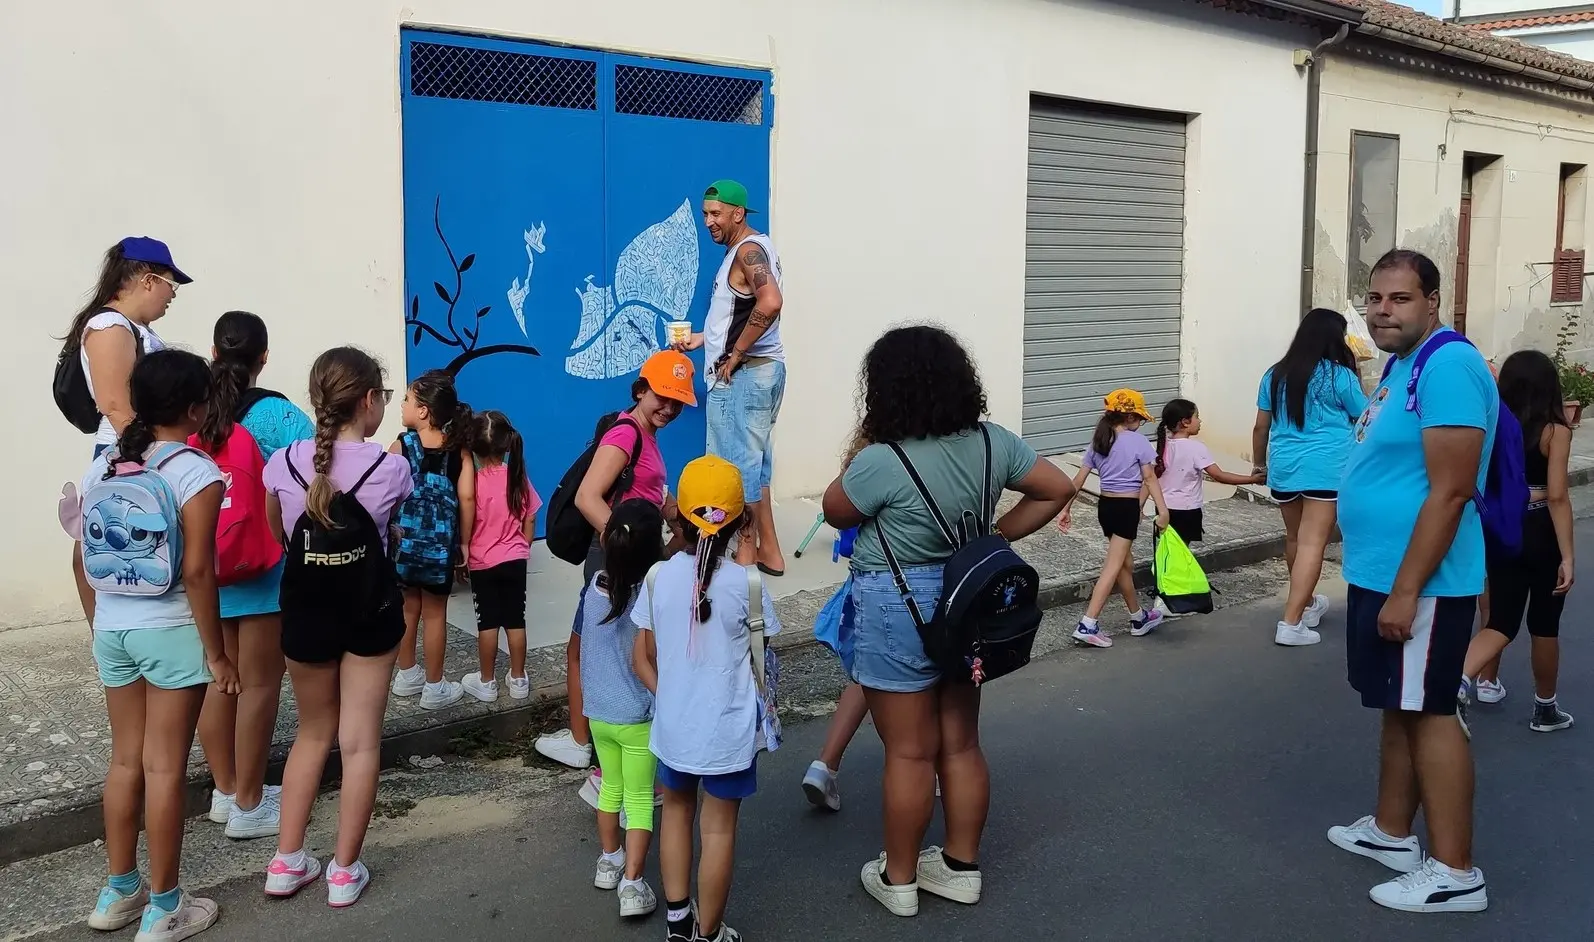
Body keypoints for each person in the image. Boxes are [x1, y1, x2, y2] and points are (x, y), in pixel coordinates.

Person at [821, 325, 1074, 917]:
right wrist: (995, 535)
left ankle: (900, 879)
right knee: (960, 742)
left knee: (909, 752)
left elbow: (836, 509)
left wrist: (864, 449)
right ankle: (960, 867)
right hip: (970, 598)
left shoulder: (881, 461)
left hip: (897, 602)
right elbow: (1056, 487)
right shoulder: (992, 444)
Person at [1328, 249, 1494, 914]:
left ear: (1432, 302)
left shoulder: (1449, 363)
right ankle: (1393, 833)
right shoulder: (1403, 365)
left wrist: (1405, 589)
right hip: (1384, 572)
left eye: (1399, 299)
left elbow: (1452, 491)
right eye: (1374, 298)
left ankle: (1456, 871)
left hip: (1421, 582)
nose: (1382, 310)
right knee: (1400, 704)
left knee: (1431, 712)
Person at [78, 349, 236, 940]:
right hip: (169, 630)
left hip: (113, 629)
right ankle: (166, 906)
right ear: (196, 409)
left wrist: (102, 622)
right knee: (165, 766)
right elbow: (198, 571)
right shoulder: (196, 471)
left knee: (125, 761)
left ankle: (120, 891)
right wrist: (217, 653)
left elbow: (81, 556)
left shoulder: (105, 466)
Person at [263, 347, 413, 908]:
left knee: (311, 733)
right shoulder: (391, 467)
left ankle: (286, 861)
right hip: (368, 612)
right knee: (359, 743)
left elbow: (280, 529)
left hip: (305, 612)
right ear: (369, 401)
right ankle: (344, 872)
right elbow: (393, 528)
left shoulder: (282, 463)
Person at [634, 456, 781, 942]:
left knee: (676, 813)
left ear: (677, 516)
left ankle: (678, 924)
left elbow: (651, 652)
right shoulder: (750, 588)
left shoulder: (657, 580)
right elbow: (765, 650)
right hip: (728, 730)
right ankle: (710, 933)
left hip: (674, 725)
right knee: (717, 831)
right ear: (743, 521)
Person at [535, 351, 695, 785]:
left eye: (677, 402)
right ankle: (591, 742)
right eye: (662, 396)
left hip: (628, 562)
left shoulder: (645, 434)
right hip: (614, 560)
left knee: (611, 652)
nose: (668, 407)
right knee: (598, 651)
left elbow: (650, 493)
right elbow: (589, 497)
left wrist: (680, 517)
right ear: (640, 390)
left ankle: (598, 750)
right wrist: (624, 543)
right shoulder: (626, 435)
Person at [193, 311, 314, 842]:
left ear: (214, 352)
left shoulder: (192, 410)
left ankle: (225, 792)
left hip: (205, 567)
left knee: (220, 680)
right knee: (260, 685)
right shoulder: (279, 417)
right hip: (263, 569)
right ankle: (250, 802)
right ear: (263, 357)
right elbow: (319, 469)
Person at [58, 238, 190, 626]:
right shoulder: (109, 325)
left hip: (138, 450)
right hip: (127, 452)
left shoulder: (132, 328)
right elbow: (116, 406)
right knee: (100, 545)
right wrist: (150, 458)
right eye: (171, 285)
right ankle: (107, 634)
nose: (172, 296)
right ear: (148, 280)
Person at [1457, 349, 1575, 735]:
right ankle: (1545, 709)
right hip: (1540, 528)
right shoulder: (1555, 431)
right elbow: (1557, 495)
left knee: (1501, 620)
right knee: (1545, 624)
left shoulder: (1493, 424)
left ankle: (1458, 681)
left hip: (1500, 525)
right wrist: (1568, 556)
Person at [674, 179, 788, 576]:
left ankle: (744, 558)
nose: (708, 222)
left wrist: (736, 353)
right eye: (705, 214)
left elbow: (770, 302)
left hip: (747, 376)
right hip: (762, 372)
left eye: (716, 213)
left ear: (738, 213)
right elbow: (739, 314)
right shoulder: (753, 248)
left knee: (737, 471)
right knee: (756, 469)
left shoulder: (748, 251)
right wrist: (705, 340)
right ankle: (768, 552)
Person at [1253, 307, 1367, 646]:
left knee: (1295, 540)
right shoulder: (1340, 376)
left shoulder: (1273, 374)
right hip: (1327, 468)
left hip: (1285, 467)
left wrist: (1259, 466)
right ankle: (1290, 623)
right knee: (1313, 542)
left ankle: (1306, 603)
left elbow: (1261, 426)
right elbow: (1365, 417)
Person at [582, 499, 665, 919]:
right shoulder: (649, 598)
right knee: (639, 799)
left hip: (598, 713)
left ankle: (608, 860)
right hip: (637, 716)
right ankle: (633, 883)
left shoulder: (594, 588)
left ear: (605, 539)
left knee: (609, 788)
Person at [389, 370, 476, 710]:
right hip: (439, 549)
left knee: (408, 607)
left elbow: (388, 492)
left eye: (408, 400)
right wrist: (464, 545)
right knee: (435, 614)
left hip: (405, 545)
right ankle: (434, 686)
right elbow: (467, 499)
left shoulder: (401, 445)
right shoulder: (459, 452)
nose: (403, 405)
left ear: (423, 411)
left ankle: (407, 673)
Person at [1058, 389, 1171, 648]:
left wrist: (1066, 508)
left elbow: (1078, 480)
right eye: (1140, 419)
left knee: (1123, 564)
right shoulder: (1137, 442)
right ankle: (1088, 623)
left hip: (1106, 507)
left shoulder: (1100, 440)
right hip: (1125, 509)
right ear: (1130, 417)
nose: (1141, 424)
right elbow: (1150, 478)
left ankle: (1138, 617)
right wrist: (1163, 511)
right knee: (1113, 566)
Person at [461, 410, 542, 703]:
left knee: (488, 623)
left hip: (483, 562)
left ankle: (487, 681)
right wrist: (524, 546)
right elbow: (530, 517)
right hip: (515, 559)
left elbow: (466, 521)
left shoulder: (473, 484)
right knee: (515, 620)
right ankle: (518, 678)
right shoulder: (516, 476)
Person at [1153, 398, 1264, 546]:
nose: (1200, 421)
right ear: (1185, 422)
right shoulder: (1196, 448)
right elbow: (1219, 475)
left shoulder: (1162, 446)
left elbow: (1150, 479)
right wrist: (1252, 480)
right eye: (1197, 417)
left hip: (1163, 508)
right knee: (1181, 552)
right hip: (1186, 509)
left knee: (1166, 550)